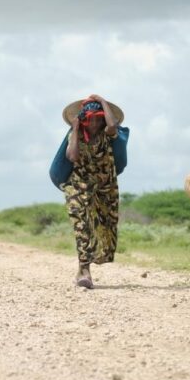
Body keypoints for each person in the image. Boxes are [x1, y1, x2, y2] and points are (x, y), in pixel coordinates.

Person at [62, 95, 123, 289]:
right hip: (79, 186)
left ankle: (85, 266)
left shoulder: (107, 133)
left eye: (99, 118)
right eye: (91, 118)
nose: (95, 123)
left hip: (105, 186)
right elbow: (72, 156)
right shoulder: (75, 134)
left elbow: (113, 126)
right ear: (84, 119)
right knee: (82, 223)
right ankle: (84, 268)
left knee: (105, 225)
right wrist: (76, 128)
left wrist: (103, 101)